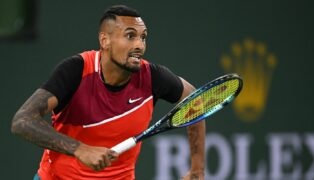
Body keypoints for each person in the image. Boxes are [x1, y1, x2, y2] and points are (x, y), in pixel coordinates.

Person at [11, 4, 205, 180]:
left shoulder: (153, 77)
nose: (139, 45)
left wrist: (197, 171)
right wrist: (80, 149)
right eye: (130, 36)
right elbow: (22, 121)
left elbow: (195, 101)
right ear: (105, 40)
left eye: (143, 37)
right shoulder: (76, 71)